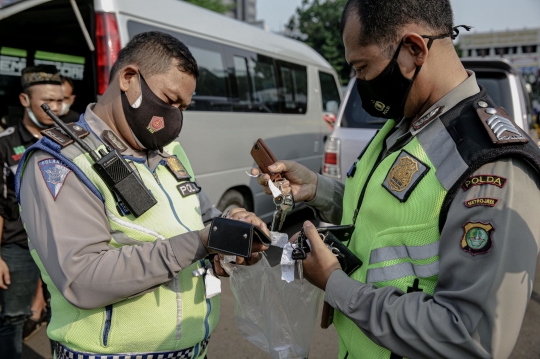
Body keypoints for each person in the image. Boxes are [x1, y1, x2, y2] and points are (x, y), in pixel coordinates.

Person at [254, 1, 540, 358]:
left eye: (362, 67)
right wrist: (318, 189)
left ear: (413, 50)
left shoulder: (490, 162)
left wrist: (335, 284)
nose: (359, 82)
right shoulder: (406, 123)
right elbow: (389, 215)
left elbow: (468, 336)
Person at [15, 31, 267, 358]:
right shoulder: (59, 162)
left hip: (191, 349)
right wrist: (202, 242)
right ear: (130, 79)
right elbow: (83, 277)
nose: (176, 117)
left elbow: (203, 216)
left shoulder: (168, 153)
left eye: (183, 107)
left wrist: (232, 227)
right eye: (169, 100)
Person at [0, 65, 63, 359]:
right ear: (25, 101)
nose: (55, 110)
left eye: (60, 101)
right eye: (47, 103)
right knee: (12, 316)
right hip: (18, 245)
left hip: (60, 245)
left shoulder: (70, 140)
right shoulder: (5, 143)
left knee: (63, 315)